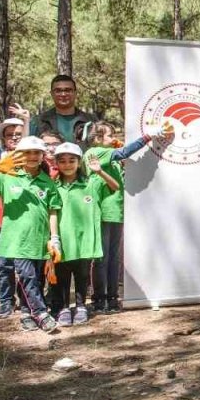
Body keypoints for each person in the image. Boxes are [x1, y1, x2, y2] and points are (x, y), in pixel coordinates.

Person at [0, 136, 62, 332]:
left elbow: (53, 210)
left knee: (35, 278)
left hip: (39, 240)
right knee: (27, 276)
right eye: (28, 152)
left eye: (37, 153)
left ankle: (27, 313)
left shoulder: (47, 181)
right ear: (18, 155)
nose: (33, 156)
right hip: (16, 241)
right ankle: (41, 312)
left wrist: (54, 238)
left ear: (43, 156)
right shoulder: (7, 176)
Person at [83, 122, 157, 313]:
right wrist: (147, 137)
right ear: (98, 138)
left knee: (114, 258)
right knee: (101, 257)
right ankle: (99, 298)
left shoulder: (108, 156)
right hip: (103, 212)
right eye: (109, 135)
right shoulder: (95, 152)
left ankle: (112, 297)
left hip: (116, 212)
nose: (113, 138)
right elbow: (124, 152)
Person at [48, 143, 118, 325]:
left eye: (72, 160)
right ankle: (63, 307)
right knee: (62, 276)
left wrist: (100, 171)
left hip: (85, 241)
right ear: (56, 163)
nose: (67, 164)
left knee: (82, 276)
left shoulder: (91, 182)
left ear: (79, 162)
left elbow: (115, 186)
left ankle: (80, 306)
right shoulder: (53, 185)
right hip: (63, 240)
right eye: (62, 161)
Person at [0, 117, 25, 317]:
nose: (14, 138)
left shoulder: (33, 156)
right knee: (4, 264)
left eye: (18, 134)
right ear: (3, 138)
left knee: (26, 265)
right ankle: (6, 301)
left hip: (25, 220)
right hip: (0, 220)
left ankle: (26, 300)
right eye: (9, 135)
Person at [32, 75, 97, 147]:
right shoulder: (38, 122)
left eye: (68, 90)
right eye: (58, 91)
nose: (63, 94)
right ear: (52, 94)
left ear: (75, 93)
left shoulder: (91, 121)